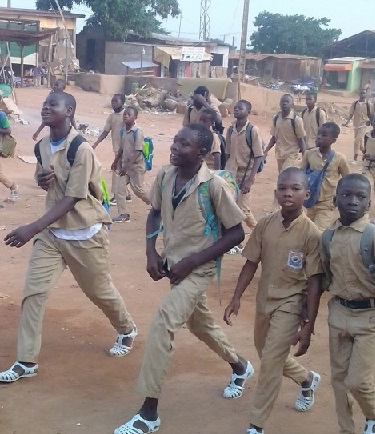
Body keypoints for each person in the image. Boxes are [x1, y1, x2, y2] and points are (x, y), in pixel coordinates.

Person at [114, 124, 252, 434]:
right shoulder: (165, 175)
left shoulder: (212, 186)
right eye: (175, 140)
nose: (175, 146)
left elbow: (237, 232)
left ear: (201, 154)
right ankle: (239, 365)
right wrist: (151, 250)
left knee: (164, 320)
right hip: (174, 266)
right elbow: (154, 212)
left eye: (184, 144)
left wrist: (193, 260)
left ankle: (149, 413)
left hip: (198, 268)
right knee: (200, 324)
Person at [0, 91, 137, 384]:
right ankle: (26, 360)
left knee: (99, 291)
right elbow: (43, 179)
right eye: (44, 103)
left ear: (69, 111)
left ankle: (126, 329)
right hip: (52, 234)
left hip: (84, 233)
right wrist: (41, 180)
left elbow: (73, 197)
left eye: (53, 104)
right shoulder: (42, 146)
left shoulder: (81, 149)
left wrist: (31, 227)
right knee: (33, 294)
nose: (46, 107)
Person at [308, 174, 375, 434]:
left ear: (369, 204)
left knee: (357, 381)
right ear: (335, 200)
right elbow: (324, 277)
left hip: (370, 317)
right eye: (346, 195)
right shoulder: (328, 237)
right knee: (338, 380)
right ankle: (346, 428)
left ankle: (374, 415)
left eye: (360, 197)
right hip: (339, 313)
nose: (353, 201)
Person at [223, 167, 323, 434]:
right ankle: (307, 379)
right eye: (283, 188)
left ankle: (256, 424)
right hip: (264, 301)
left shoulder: (312, 235)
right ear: (276, 192)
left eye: (295, 189)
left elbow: (315, 282)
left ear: (307, 194)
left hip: (291, 305)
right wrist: (236, 298)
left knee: (269, 365)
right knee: (266, 354)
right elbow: (251, 262)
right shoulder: (265, 225)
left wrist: (308, 325)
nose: (288, 193)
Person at [225, 100, 264, 253]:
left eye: (240, 108)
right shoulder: (230, 130)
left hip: (245, 173)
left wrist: (250, 179)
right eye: (235, 108)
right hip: (231, 173)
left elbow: (258, 156)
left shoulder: (252, 130)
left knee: (243, 209)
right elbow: (227, 153)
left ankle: (260, 233)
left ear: (248, 111)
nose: (236, 110)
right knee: (231, 207)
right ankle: (234, 241)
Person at [301, 122, 350, 229]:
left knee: (320, 233)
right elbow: (300, 176)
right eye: (318, 134)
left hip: (327, 203)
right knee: (309, 231)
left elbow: (346, 180)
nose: (318, 137)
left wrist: (339, 198)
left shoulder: (339, 158)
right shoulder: (309, 154)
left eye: (324, 135)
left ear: (333, 140)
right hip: (310, 201)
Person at [111, 107, 151, 223]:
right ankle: (123, 214)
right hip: (125, 166)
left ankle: (156, 204)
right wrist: (116, 161)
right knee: (119, 188)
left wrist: (127, 166)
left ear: (135, 117)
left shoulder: (138, 132)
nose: (126, 116)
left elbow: (138, 151)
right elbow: (122, 148)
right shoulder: (123, 130)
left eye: (129, 115)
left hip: (136, 167)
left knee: (138, 190)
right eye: (125, 114)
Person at [93, 93, 131, 204]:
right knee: (121, 170)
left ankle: (116, 195)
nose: (113, 103)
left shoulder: (126, 115)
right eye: (112, 101)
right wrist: (96, 143)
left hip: (125, 148)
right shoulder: (112, 117)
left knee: (117, 171)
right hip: (117, 148)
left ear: (122, 102)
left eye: (116, 101)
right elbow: (106, 131)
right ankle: (126, 194)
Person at [265, 94, 307, 174]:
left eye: (287, 102)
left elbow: (301, 139)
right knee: (282, 175)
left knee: (285, 172)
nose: (284, 103)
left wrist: (305, 157)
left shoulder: (296, 120)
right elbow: (273, 138)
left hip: (291, 154)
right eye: (282, 101)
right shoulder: (276, 118)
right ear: (280, 104)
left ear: (292, 105)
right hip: (279, 153)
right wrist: (266, 151)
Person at [342, 89, 372, 163]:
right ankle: (365, 153)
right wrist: (346, 123)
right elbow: (351, 114)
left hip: (363, 125)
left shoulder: (368, 104)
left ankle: (355, 159)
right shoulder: (355, 104)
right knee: (360, 145)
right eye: (361, 93)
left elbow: (371, 115)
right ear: (359, 94)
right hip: (356, 126)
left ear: (366, 94)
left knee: (356, 141)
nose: (362, 94)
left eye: (364, 93)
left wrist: (371, 122)